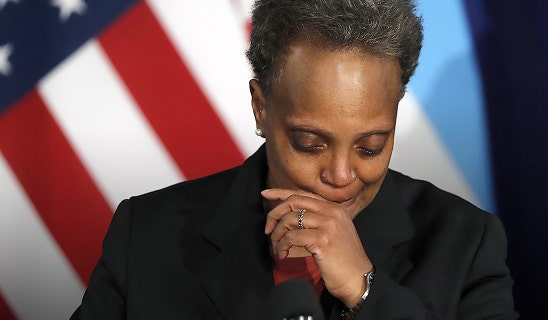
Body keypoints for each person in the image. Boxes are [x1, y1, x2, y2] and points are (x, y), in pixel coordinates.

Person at [71, 0, 517, 319]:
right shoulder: (147, 234)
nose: (341, 176)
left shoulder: (465, 243)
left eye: (371, 147)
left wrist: (366, 291)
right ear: (261, 107)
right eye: (310, 143)